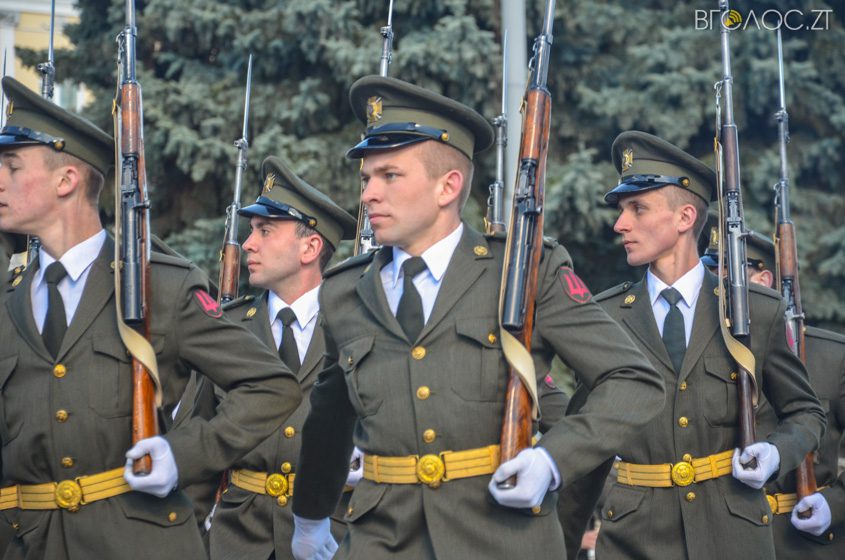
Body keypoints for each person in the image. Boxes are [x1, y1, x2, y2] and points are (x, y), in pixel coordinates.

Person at [290, 75, 666, 560]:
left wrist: (552, 460)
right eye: (366, 179)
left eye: (390, 176)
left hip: (499, 538)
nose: (369, 195)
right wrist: (310, 517)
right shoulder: (344, 290)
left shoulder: (523, 272)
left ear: (447, 187)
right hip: (381, 540)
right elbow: (330, 417)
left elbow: (633, 380)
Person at [0, 76, 302, 559]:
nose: (0, 178)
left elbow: (271, 387)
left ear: (66, 180)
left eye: (13, 166)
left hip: (136, 543)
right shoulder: (9, 296)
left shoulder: (163, 287)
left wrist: (183, 455)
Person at [578, 130, 825, 560]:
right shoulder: (606, 317)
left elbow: (805, 412)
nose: (621, 224)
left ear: (685, 217)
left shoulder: (754, 311)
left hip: (733, 538)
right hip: (635, 539)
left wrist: (775, 453)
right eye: (621, 210)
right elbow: (582, 433)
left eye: (638, 208)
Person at [203, 156, 358, 559]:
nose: (249, 244)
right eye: (251, 230)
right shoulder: (228, 328)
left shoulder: (356, 328)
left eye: (266, 231)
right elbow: (198, 445)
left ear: (310, 247)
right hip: (238, 541)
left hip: (333, 538)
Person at [704, 229, 845, 556]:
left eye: (722, 275)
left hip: (804, 545)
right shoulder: (706, 353)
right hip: (725, 543)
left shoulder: (833, 356)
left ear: (763, 280)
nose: (713, 287)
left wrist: (835, 503)